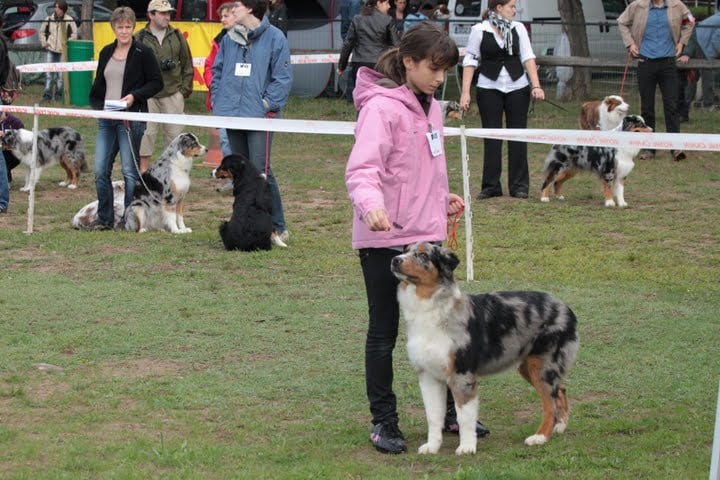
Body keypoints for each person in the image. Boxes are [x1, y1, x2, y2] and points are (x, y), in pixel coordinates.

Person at [345, 21, 489, 455]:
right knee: (384, 332)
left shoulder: (433, 108)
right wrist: (371, 206)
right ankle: (383, 421)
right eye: (434, 68)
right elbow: (363, 170)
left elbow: (426, 167)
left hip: (428, 238)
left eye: (445, 70)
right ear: (409, 62)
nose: (440, 78)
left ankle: (449, 412)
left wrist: (441, 198)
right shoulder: (381, 108)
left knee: (447, 329)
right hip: (384, 240)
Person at [211, 0, 293, 246]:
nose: (231, 11)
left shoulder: (276, 38)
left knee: (260, 171)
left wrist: (267, 104)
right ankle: (244, 222)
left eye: (235, 6)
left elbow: (283, 77)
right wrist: (219, 99)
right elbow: (217, 71)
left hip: (260, 117)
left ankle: (277, 226)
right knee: (240, 172)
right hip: (232, 113)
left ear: (249, 9)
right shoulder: (228, 39)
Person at [86, 6, 164, 231]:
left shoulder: (143, 52)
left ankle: (129, 220)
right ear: (113, 28)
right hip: (107, 118)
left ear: (133, 27)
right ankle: (105, 218)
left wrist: (133, 96)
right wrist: (97, 105)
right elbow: (99, 85)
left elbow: (156, 82)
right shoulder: (106, 52)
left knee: (130, 171)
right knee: (100, 170)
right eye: (120, 27)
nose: (124, 31)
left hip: (131, 119)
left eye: (128, 26)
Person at [459, 0, 544, 199]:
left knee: (518, 136)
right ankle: (491, 186)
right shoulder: (479, 30)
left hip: (517, 86)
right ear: (499, 8)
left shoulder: (519, 28)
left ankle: (519, 186)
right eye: (511, 6)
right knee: (491, 137)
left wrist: (537, 85)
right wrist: (465, 92)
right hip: (489, 87)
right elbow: (470, 60)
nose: (515, 10)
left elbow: (528, 57)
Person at [618, 0, 694, 162]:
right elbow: (622, 22)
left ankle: (675, 148)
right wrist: (630, 44)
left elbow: (690, 22)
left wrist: (682, 42)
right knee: (647, 107)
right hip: (645, 62)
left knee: (672, 106)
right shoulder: (638, 5)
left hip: (668, 63)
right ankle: (648, 149)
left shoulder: (677, 5)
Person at [136, 0, 194, 173]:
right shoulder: (139, 37)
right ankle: (144, 172)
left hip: (173, 93)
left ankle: (172, 173)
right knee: (147, 135)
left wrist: (183, 91)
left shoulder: (177, 35)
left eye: (168, 13)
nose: (167, 16)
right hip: (148, 95)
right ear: (151, 15)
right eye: (162, 13)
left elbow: (187, 63)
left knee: (175, 136)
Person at [338, 0, 400, 103]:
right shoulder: (388, 20)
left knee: (361, 98)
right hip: (380, 65)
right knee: (380, 97)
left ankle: (362, 117)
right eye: (387, 3)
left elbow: (348, 44)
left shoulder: (357, 19)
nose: (389, 6)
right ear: (378, 3)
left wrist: (341, 66)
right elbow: (397, 46)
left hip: (359, 64)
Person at [678, 10, 720, 112]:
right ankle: (708, 104)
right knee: (707, 74)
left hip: (698, 40)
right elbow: (717, 40)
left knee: (693, 75)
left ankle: (687, 102)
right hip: (703, 44)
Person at [39, 0, 78, 102]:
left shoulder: (69, 20)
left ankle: (58, 95)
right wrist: (44, 43)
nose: (57, 9)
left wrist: (67, 43)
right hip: (51, 50)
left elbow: (74, 34)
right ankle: (47, 95)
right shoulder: (48, 19)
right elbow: (42, 32)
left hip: (62, 52)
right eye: (55, 7)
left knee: (60, 75)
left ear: (63, 9)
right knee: (48, 74)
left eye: (59, 7)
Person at [0, 110, 25, 184]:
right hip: (2, 151)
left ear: (3, 112)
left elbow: (23, 138)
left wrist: (6, 136)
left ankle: (6, 182)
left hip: (16, 152)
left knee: (4, 161)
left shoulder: (15, 122)